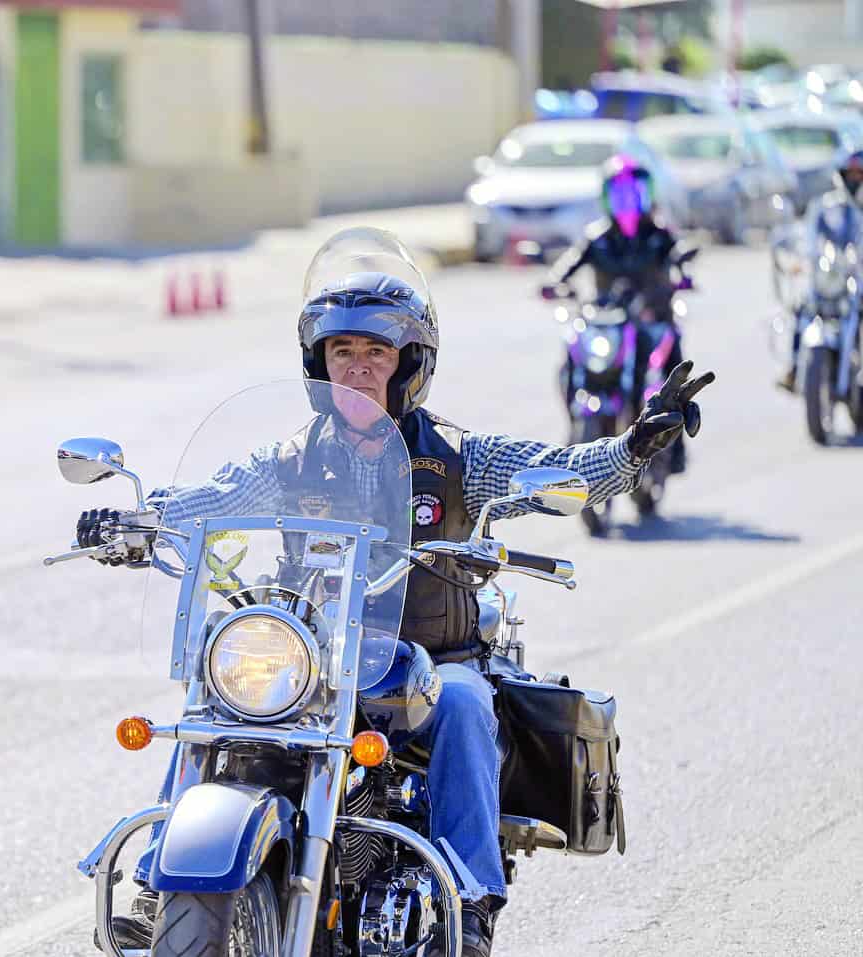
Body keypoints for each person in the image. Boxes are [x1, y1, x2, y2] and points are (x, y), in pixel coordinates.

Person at [77, 229, 713, 957]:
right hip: (317, 663)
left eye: (375, 353)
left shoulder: (456, 457)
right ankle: (163, 882)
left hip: (426, 664)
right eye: (341, 352)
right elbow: (212, 497)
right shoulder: (290, 458)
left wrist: (630, 449)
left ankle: (471, 900)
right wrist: (137, 517)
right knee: (218, 697)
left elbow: (556, 470)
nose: (355, 369)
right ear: (317, 362)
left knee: (471, 702)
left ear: (409, 365)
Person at [549, 155, 696, 472]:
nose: (627, 202)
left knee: (677, 373)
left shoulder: (659, 234)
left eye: (634, 194)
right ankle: (575, 425)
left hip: (652, 320)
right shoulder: (596, 237)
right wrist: (554, 283)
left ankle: (678, 446)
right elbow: (568, 264)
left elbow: (679, 254)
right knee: (570, 359)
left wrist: (682, 273)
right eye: (619, 195)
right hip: (606, 323)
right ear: (606, 198)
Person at [776, 146, 863, 391]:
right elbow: (809, 239)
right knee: (804, 309)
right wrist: (801, 259)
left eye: (860, 175)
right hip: (836, 279)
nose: (855, 180)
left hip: (859, 278)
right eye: (851, 174)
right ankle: (793, 367)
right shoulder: (826, 207)